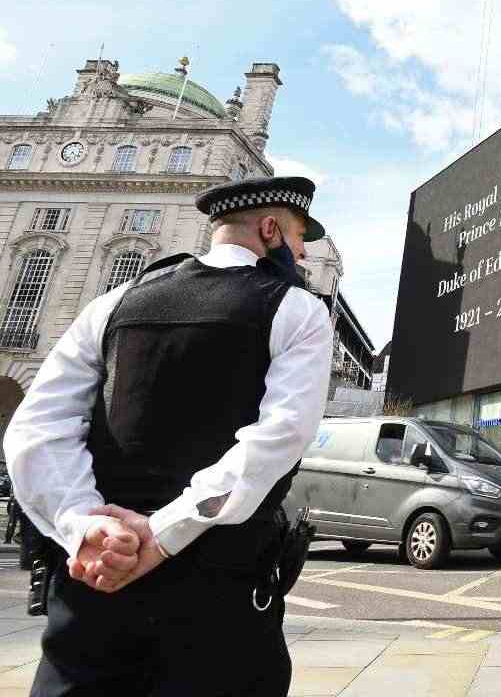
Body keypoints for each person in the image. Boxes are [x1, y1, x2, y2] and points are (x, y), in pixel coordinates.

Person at [4, 176, 334, 696]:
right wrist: (160, 534)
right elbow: (278, 436)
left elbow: (37, 428)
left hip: (97, 577)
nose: (300, 252)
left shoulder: (113, 303)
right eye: (297, 238)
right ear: (270, 230)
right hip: (217, 589)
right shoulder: (296, 309)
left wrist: (85, 527)